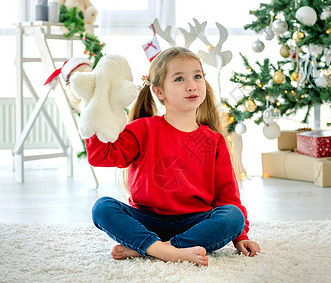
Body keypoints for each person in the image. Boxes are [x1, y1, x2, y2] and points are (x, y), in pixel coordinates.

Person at [87, 47, 260, 266]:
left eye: (197, 76)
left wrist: (241, 237)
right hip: (147, 219)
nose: (192, 85)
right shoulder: (144, 129)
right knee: (102, 207)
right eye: (179, 79)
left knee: (233, 216)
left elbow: (228, 197)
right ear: (159, 92)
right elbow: (100, 157)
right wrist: (92, 118)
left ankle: (151, 248)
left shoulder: (214, 140)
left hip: (195, 221)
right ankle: (166, 249)